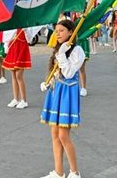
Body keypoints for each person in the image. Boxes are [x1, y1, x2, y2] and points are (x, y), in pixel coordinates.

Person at [40, 19, 85, 178]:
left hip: (68, 93)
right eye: (56, 31)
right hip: (56, 91)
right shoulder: (59, 49)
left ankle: (75, 172)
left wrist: (61, 55)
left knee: (63, 135)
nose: (57, 33)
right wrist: (48, 83)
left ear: (71, 32)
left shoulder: (78, 50)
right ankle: (58, 172)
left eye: (61, 31)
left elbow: (69, 73)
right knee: (54, 134)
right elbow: (57, 72)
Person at [3, 28, 32, 109]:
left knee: (18, 75)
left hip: (21, 49)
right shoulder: (11, 25)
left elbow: (29, 39)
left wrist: (26, 31)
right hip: (12, 48)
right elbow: (7, 37)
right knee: (13, 75)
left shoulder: (26, 25)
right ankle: (16, 98)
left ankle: (24, 100)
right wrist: (6, 46)